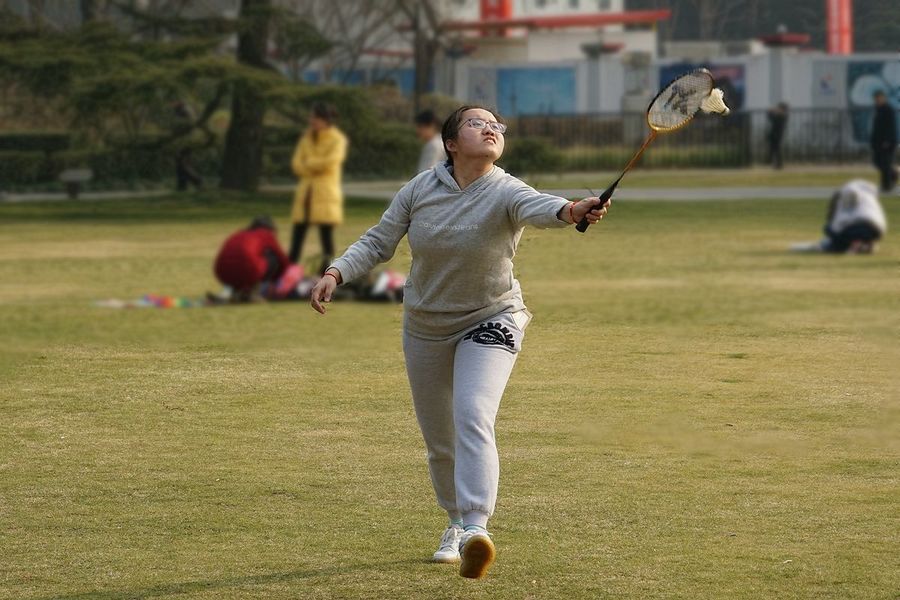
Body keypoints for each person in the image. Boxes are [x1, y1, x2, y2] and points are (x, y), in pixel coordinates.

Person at [308, 105, 609, 579]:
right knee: (439, 438)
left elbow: (544, 207)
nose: (490, 128)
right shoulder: (419, 189)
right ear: (451, 143)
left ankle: (475, 529)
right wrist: (336, 271)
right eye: (476, 122)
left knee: (472, 414)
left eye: (497, 125)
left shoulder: (506, 188)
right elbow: (379, 239)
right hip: (426, 324)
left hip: (492, 316)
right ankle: (453, 522)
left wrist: (573, 210)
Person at [289, 102, 348, 274]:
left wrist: (309, 164)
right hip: (306, 194)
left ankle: (327, 274)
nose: (312, 120)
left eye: (315, 117)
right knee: (297, 237)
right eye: (311, 117)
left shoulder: (337, 139)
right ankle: (288, 272)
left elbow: (331, 162)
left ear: (325, 119)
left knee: (326, 238)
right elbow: (296, 164)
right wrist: (314, 166)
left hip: (325, 195)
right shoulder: (306, 138)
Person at [790, 179, 887, 254]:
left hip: (858, 227)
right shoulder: (869, 197)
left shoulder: (847, 192)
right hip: (879, 230)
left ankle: (853, 244)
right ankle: (866, 243)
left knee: (831, 230)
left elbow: (838, 221)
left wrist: (832, 231)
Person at [212, 216, 290, 303]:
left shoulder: (239, 233)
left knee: (243, 262)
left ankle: (236, 293)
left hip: (221, 272)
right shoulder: (266, 234)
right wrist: (280, 278)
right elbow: (282, 259)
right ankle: (252, 293)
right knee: (273, 259)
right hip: (248, 270)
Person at [870, 91, 897, 192]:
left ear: (883, 98)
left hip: (887, 142)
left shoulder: (888, 110)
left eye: (879, 98)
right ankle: (893, 174)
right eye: (876, 98)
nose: (877, 100)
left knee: (885, 164)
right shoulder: (877, 110)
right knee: (877, 162)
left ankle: (886, 185)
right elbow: (876, 127)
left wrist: (888, 140)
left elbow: (890, 127)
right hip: (877, 142)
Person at [766, 102, 789, 170]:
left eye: (779, 108)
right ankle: (776, 163)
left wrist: (771, 113)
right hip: (774, 135)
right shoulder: (780, 116)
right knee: (774, 150)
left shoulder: (782, 116)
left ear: (782, 109)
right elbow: (771, 119)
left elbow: (773, 119)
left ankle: (779, 164)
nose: (777, 109)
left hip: (777, 135)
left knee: (776, 150)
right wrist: (770, 113)